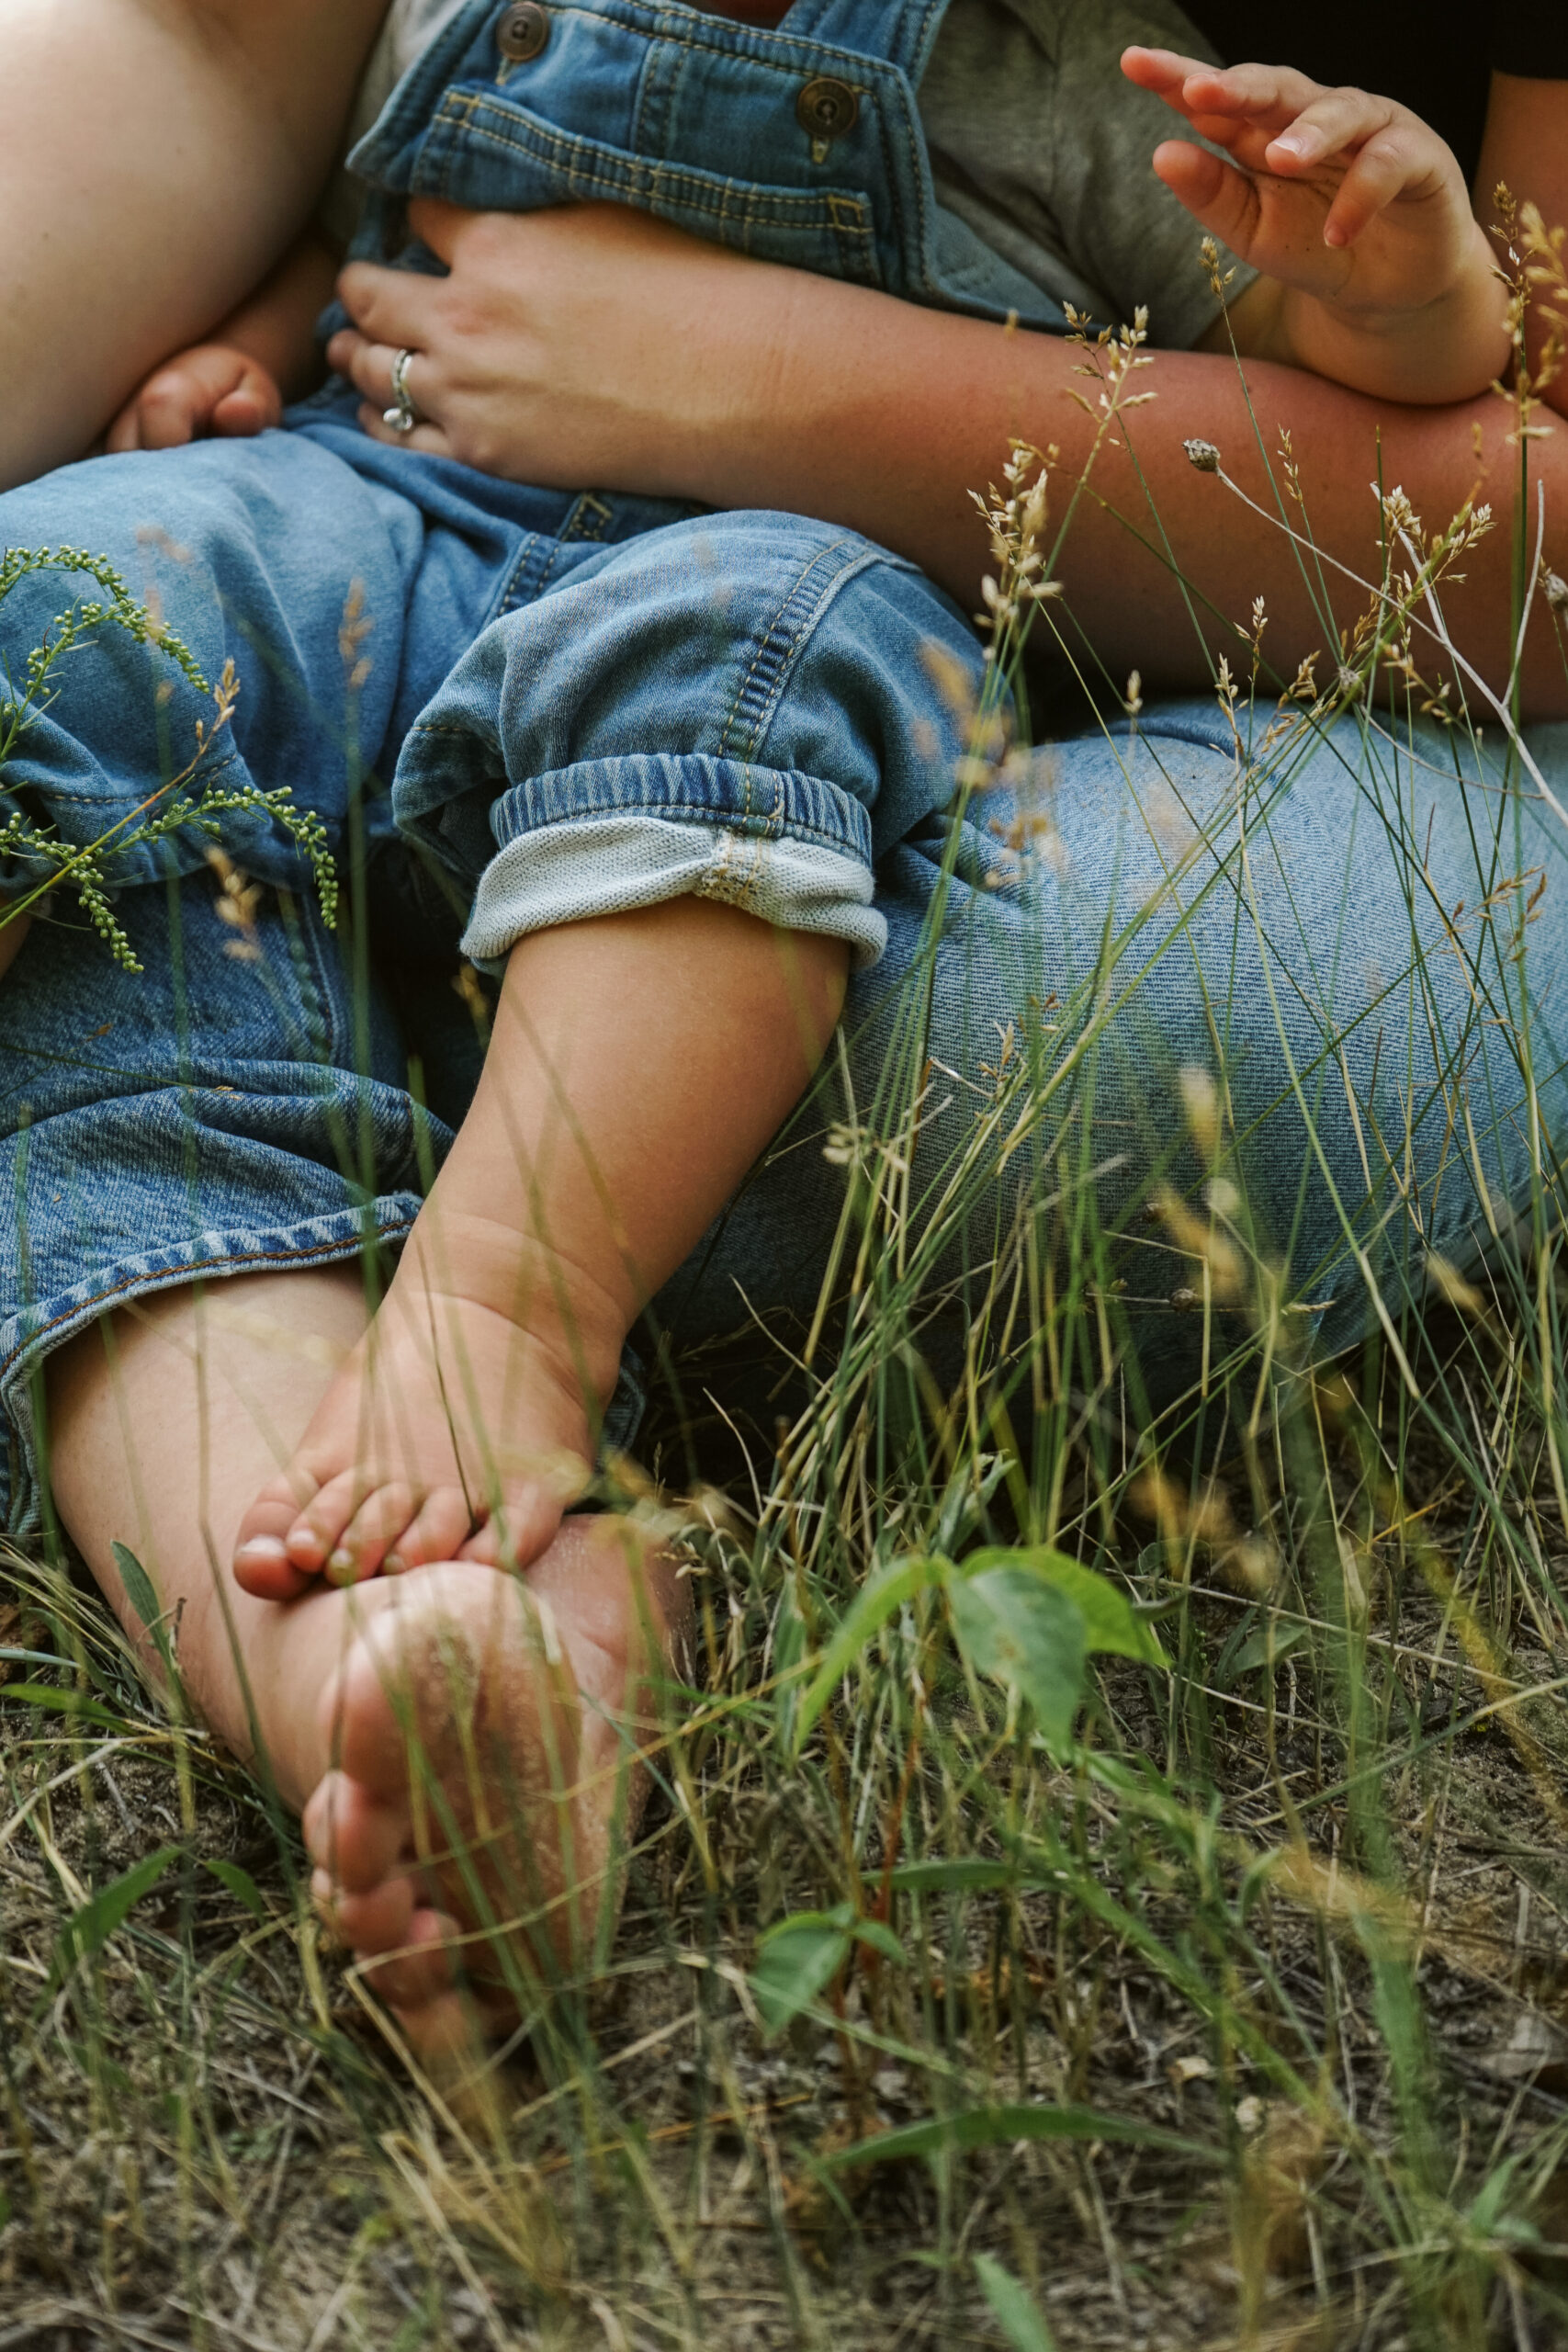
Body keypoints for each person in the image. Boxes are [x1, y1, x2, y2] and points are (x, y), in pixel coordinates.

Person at [2, 0, 1566, 2057]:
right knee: (54, 631)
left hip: (788, 576)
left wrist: (1399, 267)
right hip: (378, 514)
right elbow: (341, 160)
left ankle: (503, 1318)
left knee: (720, 706)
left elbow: (1403, 390)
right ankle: (379, 1649)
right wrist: (268, 326)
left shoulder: (1088, 79)